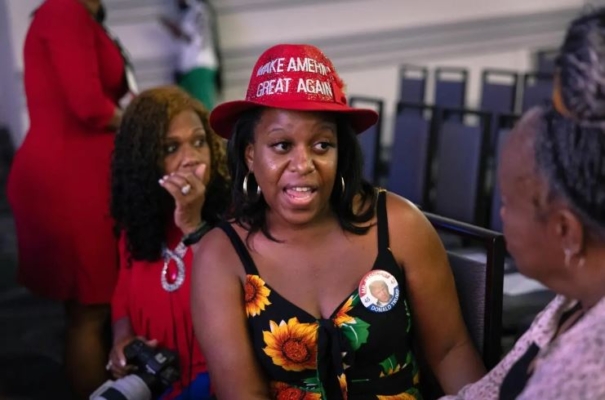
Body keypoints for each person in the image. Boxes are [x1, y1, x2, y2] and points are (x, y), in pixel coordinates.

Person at [190, 43, 485, 399]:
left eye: (322, 145)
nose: (303, 164)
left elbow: (450, 351)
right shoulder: (221, 255)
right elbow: (242, 393)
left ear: (340, 151)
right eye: (282, 145)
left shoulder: (399, 225)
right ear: (250, 154)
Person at [442, 10, 605, 399]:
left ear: (565, 230)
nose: (499, 215)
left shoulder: (582, 375)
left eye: (507, 203)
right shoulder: (569, 304)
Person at [6, 0, 133, 397]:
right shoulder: (64, 10)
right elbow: (89, 105)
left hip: (82, 177)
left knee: (91, 309)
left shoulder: (83, 14)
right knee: (90, 310)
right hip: (70, 183)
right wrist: (149, 116)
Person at [107, 86, 230, 399]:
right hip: (153, 383)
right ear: (144, 161)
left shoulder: (234, 221)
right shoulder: (136, 226)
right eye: (170, 148)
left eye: (199, 142)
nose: (190, 159)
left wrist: (194, 221)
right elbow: (122, 292)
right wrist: (122, 338)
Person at [159, 0, 222, 110]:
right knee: (186, 108)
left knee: (203, 108)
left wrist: (176, 29)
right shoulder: (188, 11)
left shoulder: (199, 9)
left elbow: (198, 39)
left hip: (199, 66)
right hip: (188, 68)